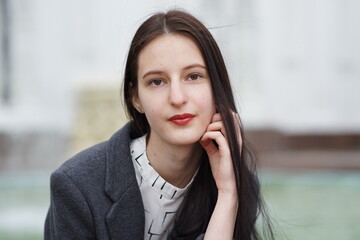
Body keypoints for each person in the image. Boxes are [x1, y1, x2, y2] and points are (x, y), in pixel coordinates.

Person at [45, 9, 274, 240]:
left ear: (216, 86)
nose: (177, 98)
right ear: (136, 98)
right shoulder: (77, 186)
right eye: (157, 81)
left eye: (193, 76)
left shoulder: (236, 184)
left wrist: (227, 196)